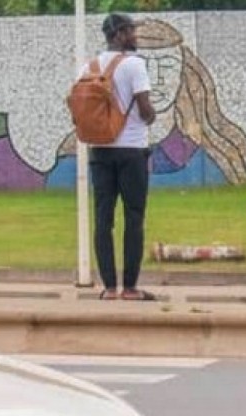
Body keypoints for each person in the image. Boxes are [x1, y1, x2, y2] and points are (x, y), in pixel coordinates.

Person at [83, 13, 158, 301]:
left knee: (103, 219)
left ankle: (109, 288)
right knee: (134, 217)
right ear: (118, 35)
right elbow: (144, 109)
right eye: (129, 31)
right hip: (131, 151)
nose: (134, 36)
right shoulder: (134, 65)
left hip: (99, 150)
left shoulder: (88, 68)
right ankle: (129, 288)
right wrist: (152, 116)